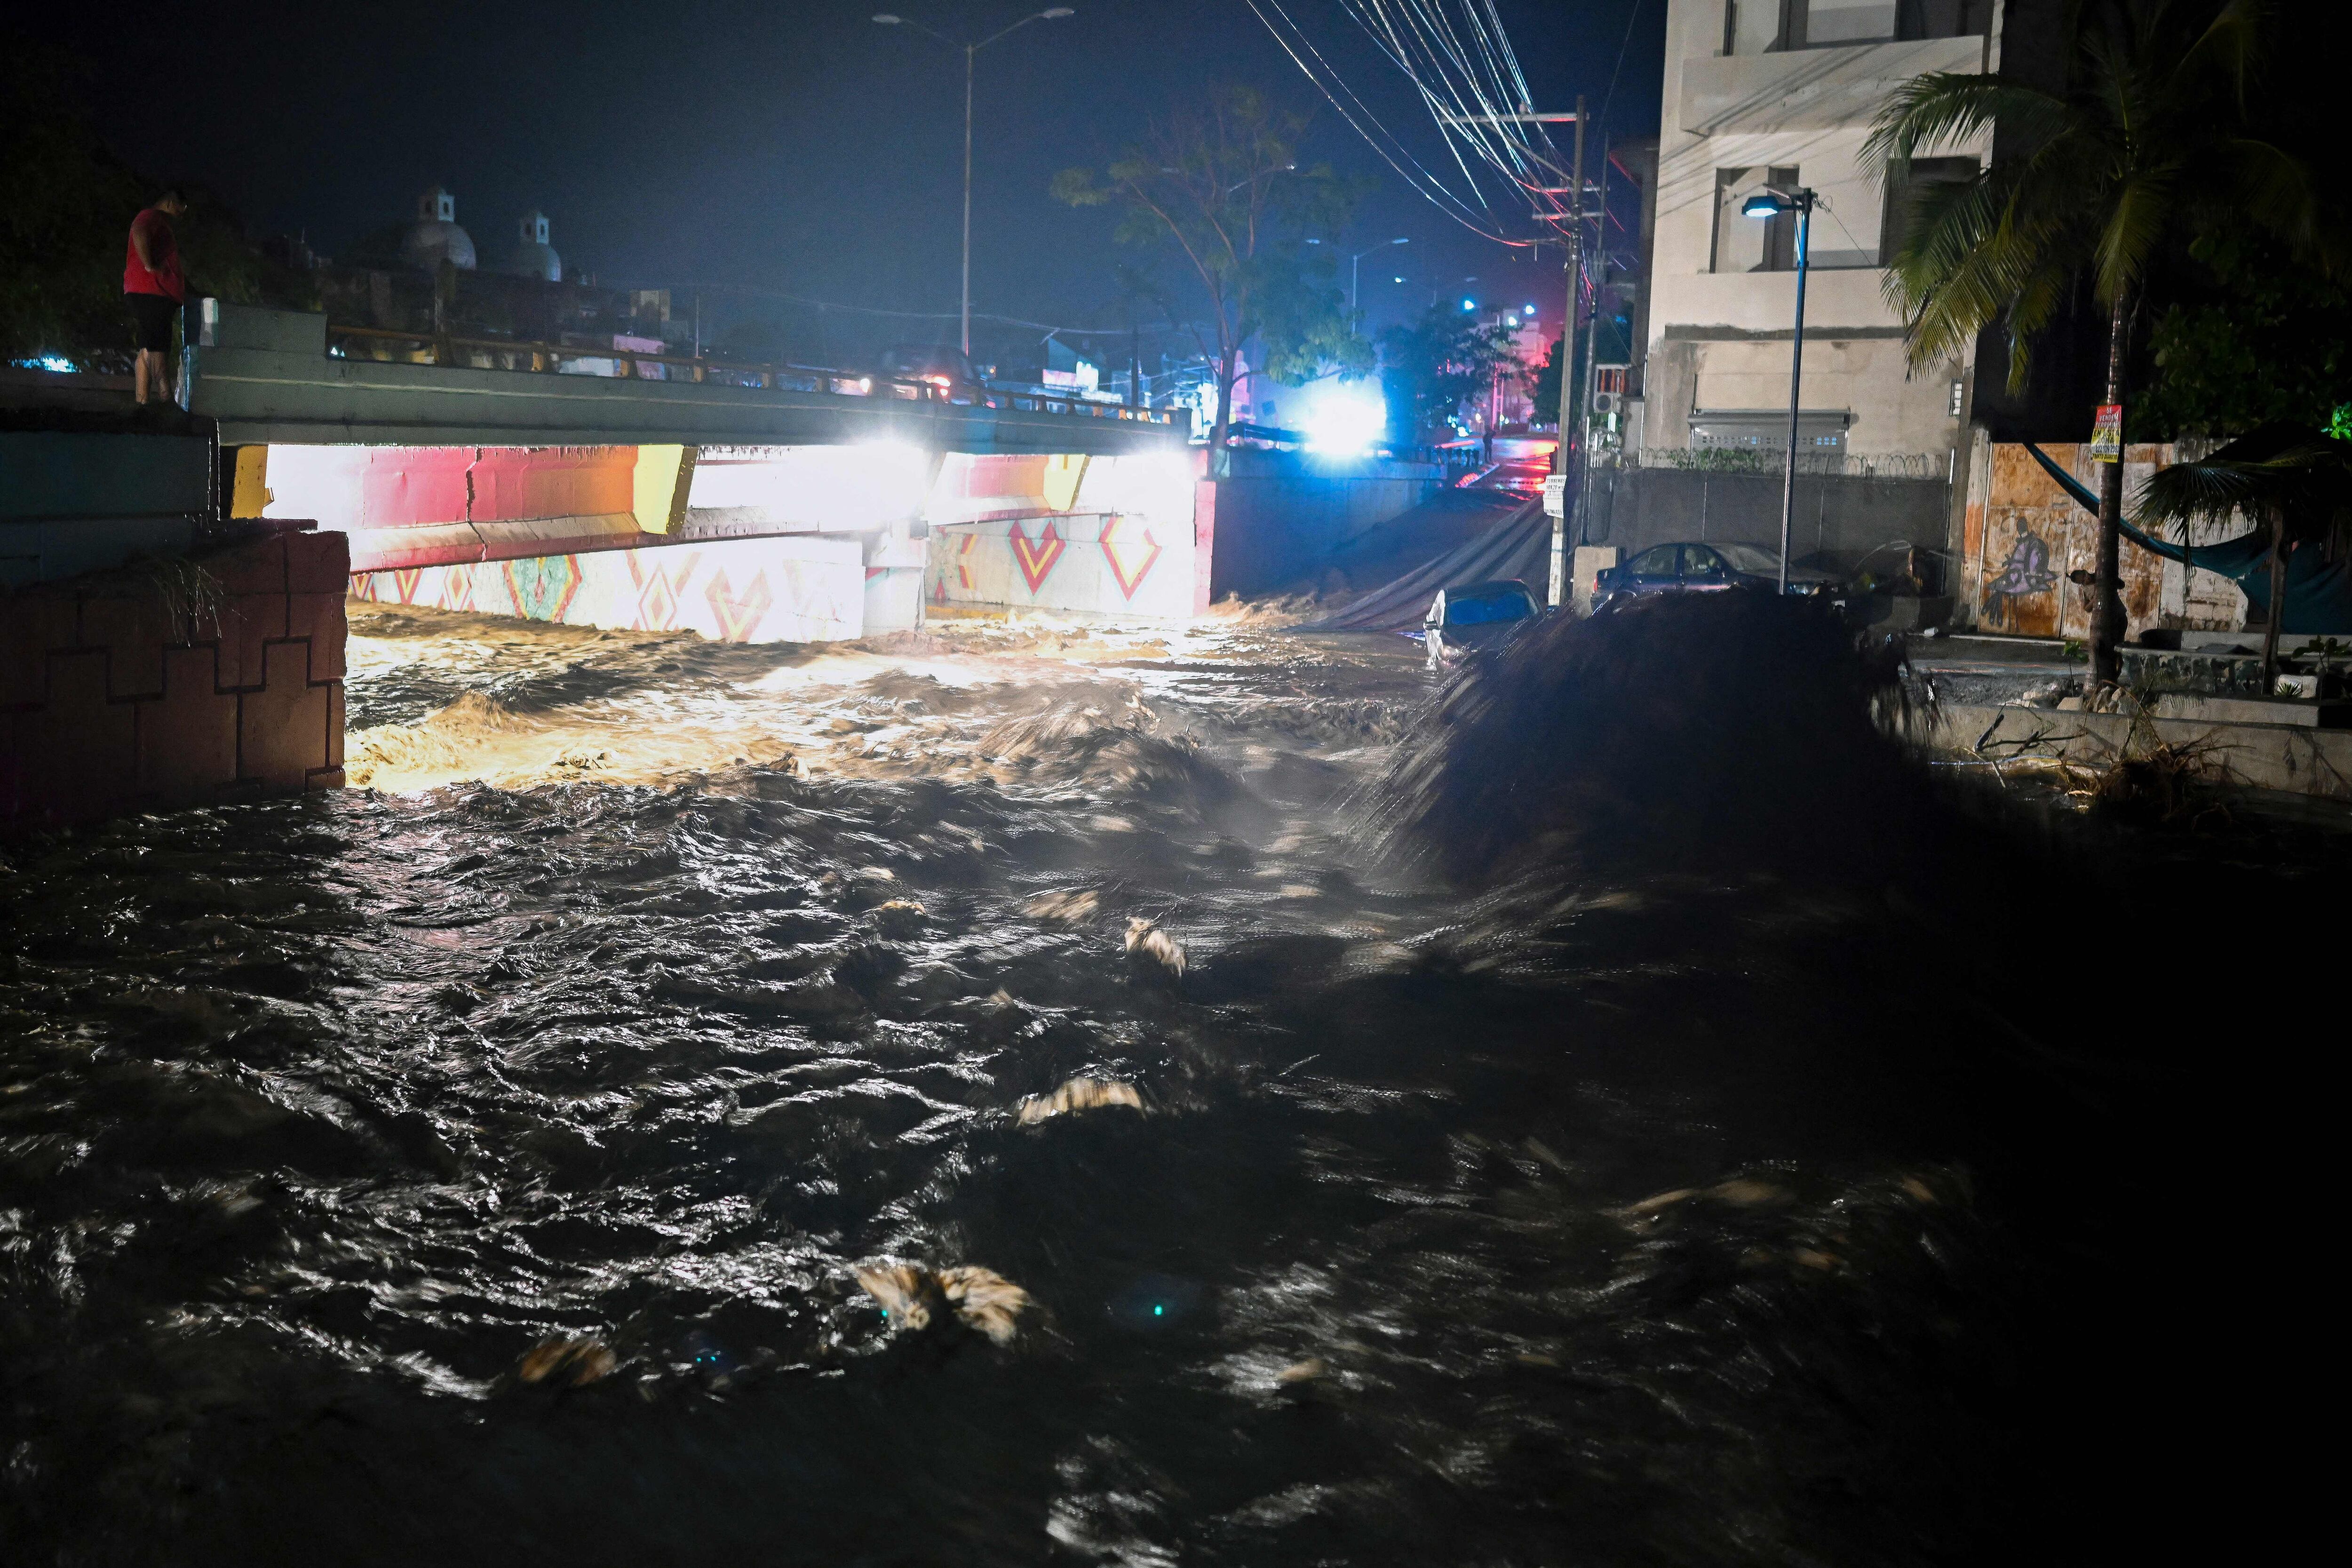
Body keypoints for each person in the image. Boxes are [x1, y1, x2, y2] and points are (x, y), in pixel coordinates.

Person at [123, 191, 188, 407]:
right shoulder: (151, 217)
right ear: (170, 203)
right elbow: (139, 231)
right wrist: (149, 265)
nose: (182, 214)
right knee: (158, 350)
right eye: (181, 208)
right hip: (153, 294)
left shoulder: (157, 222)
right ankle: (166, 402)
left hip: (145, 293)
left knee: (146, 350)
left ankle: (142, 402)